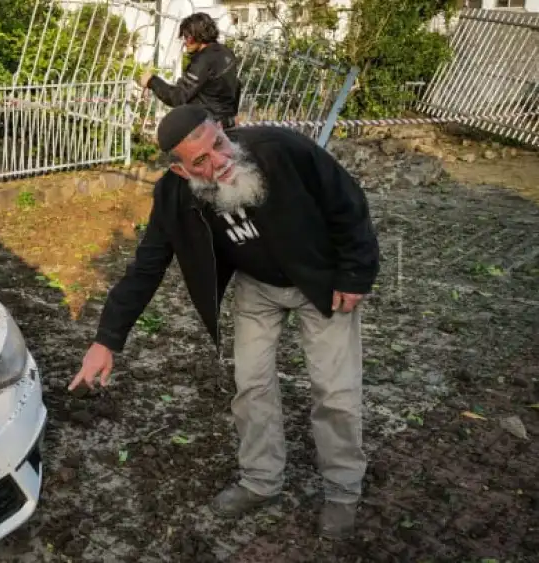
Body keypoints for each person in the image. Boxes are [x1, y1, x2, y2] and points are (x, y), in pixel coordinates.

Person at [68, 104, 380, 540]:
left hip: (322, 280)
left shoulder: (280, 149)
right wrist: (107, 341)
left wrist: (355, 275)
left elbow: (346, 203)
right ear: (180, 170)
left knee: (335, 390)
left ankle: (343, 490)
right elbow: (146, 266)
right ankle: (261, 479)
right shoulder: (174, 197)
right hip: (259, 287)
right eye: (201, 161)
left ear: (221, 129)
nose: (220, 160)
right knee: (250, 385)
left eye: (218, 143)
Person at [139, 12, 242, 129]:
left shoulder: (204, 60)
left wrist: (151, 81)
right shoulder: (226, 53)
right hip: (226, 125)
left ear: (200, 35)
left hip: (206, 128)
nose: (185, 42)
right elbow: (236, 85)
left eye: (188, 37)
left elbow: (178, 97)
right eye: (184, 37)